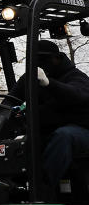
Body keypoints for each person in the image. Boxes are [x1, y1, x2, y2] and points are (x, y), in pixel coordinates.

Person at [7, 39, 89, 189]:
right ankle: (10, 185)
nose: (39, 64)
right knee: (16, 140)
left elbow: (77, 95)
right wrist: (6, 111)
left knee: (63, 136)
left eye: (42, 60)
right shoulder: (30, 78)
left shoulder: (75, 77)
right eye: (35, 61)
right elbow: (9, 100)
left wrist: (49, 84)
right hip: (45, 131)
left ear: (56, 58)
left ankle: (43, 188)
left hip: (81, 130)